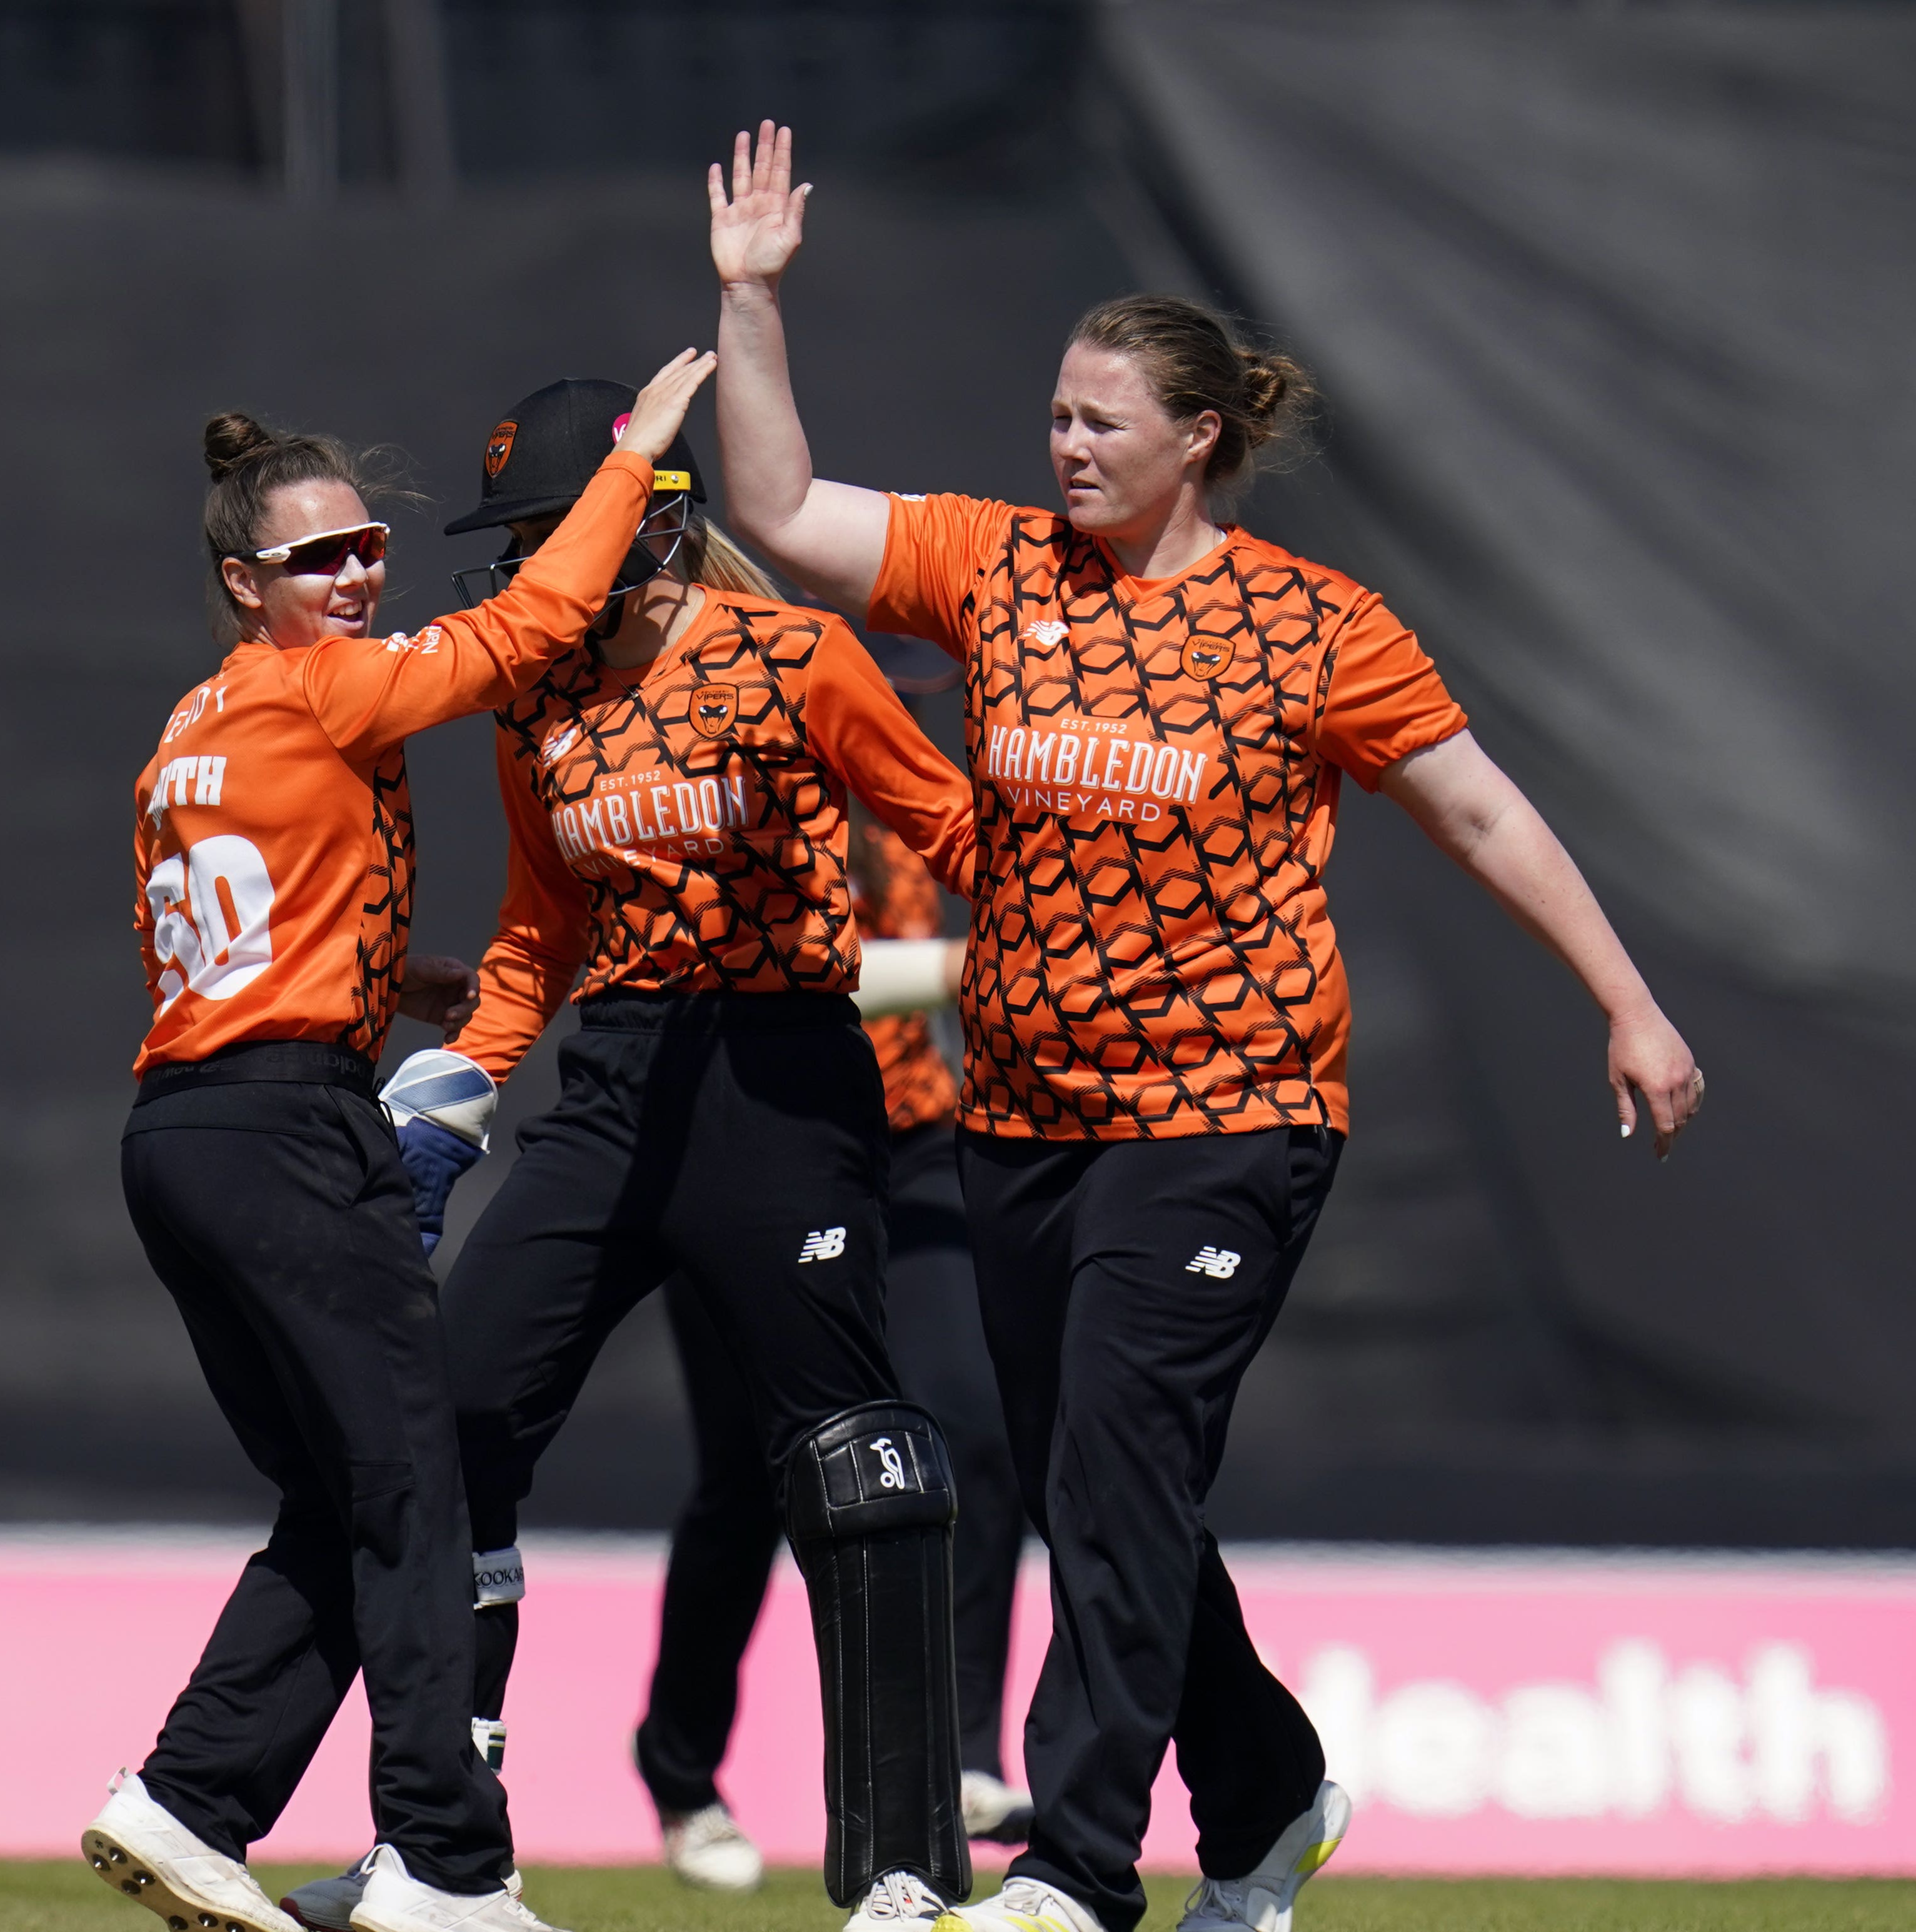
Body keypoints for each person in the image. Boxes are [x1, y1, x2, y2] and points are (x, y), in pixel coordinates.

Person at [705, 122, 1708, 1932]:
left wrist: (1624, 1001)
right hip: (1019, 1118)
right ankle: (1264, 1791)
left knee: (1107, 1464)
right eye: (1056, 416)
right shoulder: (996, 571)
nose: (1063, 445)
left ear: (1198, 440)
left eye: (1101, 421)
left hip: (1228, 1110)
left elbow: (1481, 812)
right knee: (1124, 1482)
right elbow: (777, 513)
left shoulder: (1314, 629)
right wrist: (750, 300)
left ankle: (1078, 1872)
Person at [86, 350, 716, 1932]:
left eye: (369, 545)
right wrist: (634, 462)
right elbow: (520, 632)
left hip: (187, 1130)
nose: (359, 573)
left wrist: (387, 980)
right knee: (419, 1486)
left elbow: (233, 928)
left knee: (344, 1493)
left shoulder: (194, 720)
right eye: (319, 558)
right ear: (246, 582)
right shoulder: (319, 685)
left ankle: (187, 1802)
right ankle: (443, 1864)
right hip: (290, 1136)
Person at [437, 371, 983, 1932]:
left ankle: (898, 1867)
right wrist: (459, 1089)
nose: (529, 568)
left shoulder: (791, 656)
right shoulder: (534, 696)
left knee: (845, 1460)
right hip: (615, 1080)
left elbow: (947, 826)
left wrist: (1072, 943)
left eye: (555, 531)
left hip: (778, 1072)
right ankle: (446, 1857)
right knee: (458, 1409)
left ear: (649, 530)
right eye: (521, 539)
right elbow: (540, 927)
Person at [628, 808, 1033, 1897]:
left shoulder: (903, 816)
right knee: (754, 1482)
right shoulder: (713, 816)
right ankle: (681, 1769)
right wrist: (963, 963)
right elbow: (781, 981)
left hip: (911, 1142)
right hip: (747, 1142)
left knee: (976, 1433)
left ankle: (962, 1753)